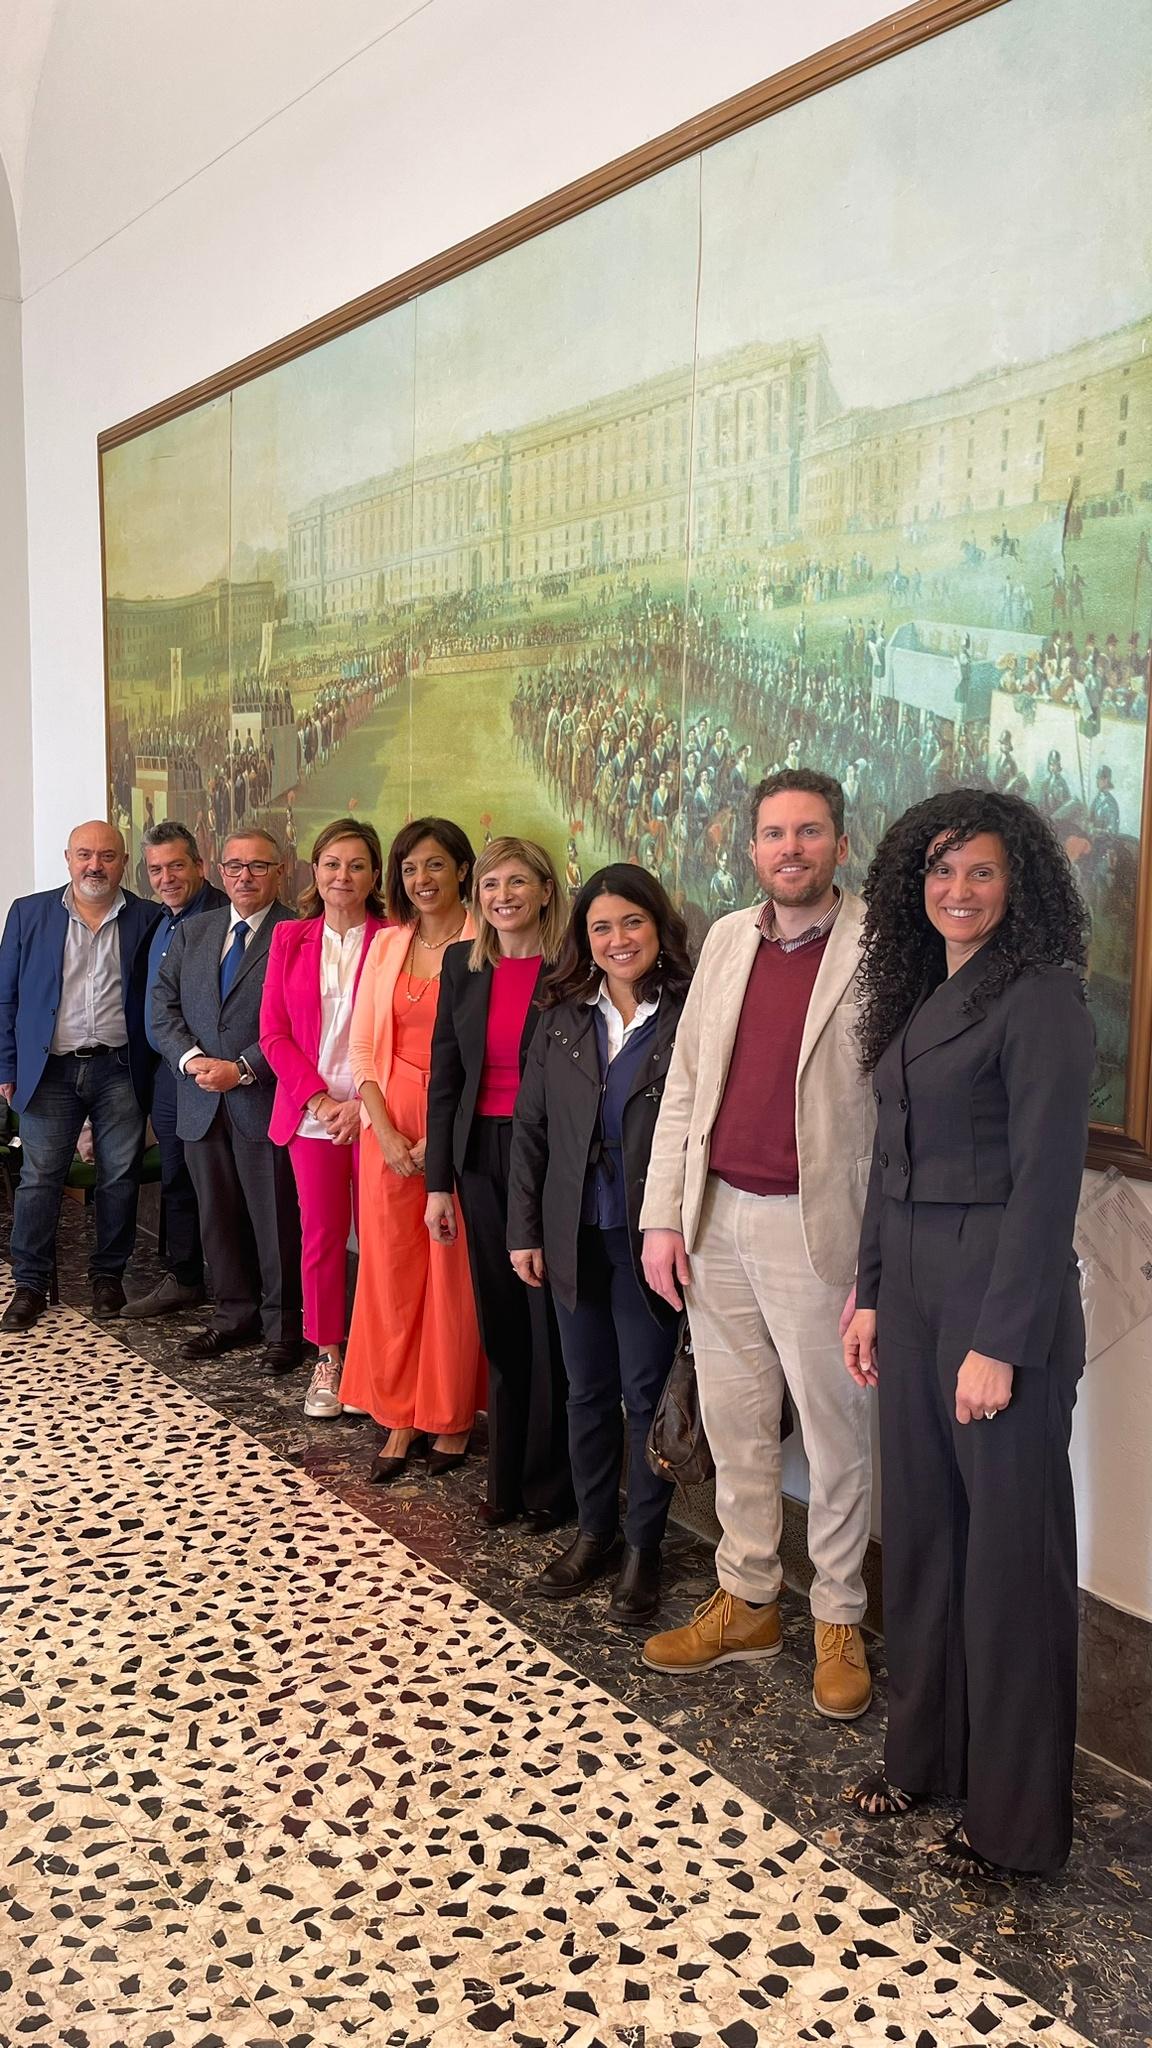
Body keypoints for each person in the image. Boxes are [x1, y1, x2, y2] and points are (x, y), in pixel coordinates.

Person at [841, 789, 1094, 1880]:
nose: (958, 890)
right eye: (940, 870)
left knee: (1007, 1565)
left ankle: (1015, 1823)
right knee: (931, 1538)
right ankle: (927, 1756)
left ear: (1019, 881)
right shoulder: (922, 988)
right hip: (915, 1290)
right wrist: (868, 1291)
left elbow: (1046, 1187)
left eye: (981, 871)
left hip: (1000, 1298)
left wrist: (1002, 1340)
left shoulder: (1042, 997)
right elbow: (890, 1159)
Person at [639, 769, 876, 1719]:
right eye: (775, 833)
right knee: (736, 1424)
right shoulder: (732, 939)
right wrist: (665, 1216)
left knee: (834, 1435)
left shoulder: (882, 949)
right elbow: (688, 1086)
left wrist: (882, 1263)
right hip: (719, 1218)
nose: (792, 849)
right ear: (752, 849)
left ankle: (839, 1617)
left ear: (839, 845)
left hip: (822, 1232)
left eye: (810, 832)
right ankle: (747, 1600)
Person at [507, 865, 693, 1624]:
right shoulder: (559, 1012)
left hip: (647, 1238)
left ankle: (645, 1546)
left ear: (658, 928)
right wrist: (524, 1229)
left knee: (645, 1395)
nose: (618, 941)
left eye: (633, 924)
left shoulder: (686, 1014)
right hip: (570, 1229)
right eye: (601, 928)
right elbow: (530, 1128)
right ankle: (595, 1534)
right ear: (584, 939)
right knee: (585, 1391)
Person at [425, 837, 573, 1529]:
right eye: (490, 885)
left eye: (518, 882)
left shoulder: (572, 968)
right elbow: (445, 1076)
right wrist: (436, 1186)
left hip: (549, 1156)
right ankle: (506, 1479)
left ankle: (549, 1486)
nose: (503, 896)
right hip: (480, 1155)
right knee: (502, 1323)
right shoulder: (463, 964)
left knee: (547, 1325)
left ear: (546, 890)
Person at [341, 818, 485, 1482]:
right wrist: (386, 1129)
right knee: (391, 1272)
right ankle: (397, 1412)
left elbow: (491, 1054)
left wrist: (443, 1137)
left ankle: (449, 1414)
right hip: (387, 1121)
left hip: (460, 1119)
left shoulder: (487, 940)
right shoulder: (388, 944)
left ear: (462, 868)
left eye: (434, 865)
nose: (420, 880)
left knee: (452, 1272)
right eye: (408, 869)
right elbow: (362, 1051)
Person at [152, 829, 304, 1373]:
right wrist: (193, 1062)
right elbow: (161, 1009)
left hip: (262, 1099)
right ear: (218, 870)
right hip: (199, 1100)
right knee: (216, 1218)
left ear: (280, 871)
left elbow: (302, 1021)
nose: (245, 876)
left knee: (275, 1221)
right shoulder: (195, 932)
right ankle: (233, 1315)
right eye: (235, 866)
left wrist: (241, 1070)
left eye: (258, 866)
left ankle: (284, 1328)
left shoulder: (299, 933)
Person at [0, 820, 161, 1331]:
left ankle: (108, 1277)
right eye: (85, 854)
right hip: (47, 1069)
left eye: (108, 856)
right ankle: (29, 1284)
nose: (96, 865)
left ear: (123, 861)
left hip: (119, 1068)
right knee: (39, 1179)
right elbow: (5, 995)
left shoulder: (148, 917)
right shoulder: (28, 913)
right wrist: (7, 1065)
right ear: (67, 858)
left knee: (118, 1177)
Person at [260, 819, 387, 1419]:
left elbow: (410, 1035)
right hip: (312, 1116)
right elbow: (274, 1033)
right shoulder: (289, 938)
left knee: (385, 1241)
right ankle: (330, 1357)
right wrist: (318, 1100)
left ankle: (378, 1363)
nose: (343, 876)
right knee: (323, 1239)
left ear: (374, 875)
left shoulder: (395, 938)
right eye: (332, 863)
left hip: (380, 1113)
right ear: (315, 870)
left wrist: (365, 1105)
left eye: (357, 865)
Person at [122, 820, 228, 1319]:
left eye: (177, 866)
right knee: (176, 1178)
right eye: (156, 868)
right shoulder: (158, 921)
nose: (166, 877)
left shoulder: (223, 918)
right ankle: (186, 1277)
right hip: (168, 1076)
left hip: (216, 1075)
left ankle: (235, 1287)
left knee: (219, 1184)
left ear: (200, 867)